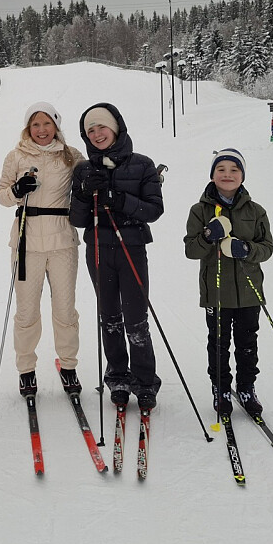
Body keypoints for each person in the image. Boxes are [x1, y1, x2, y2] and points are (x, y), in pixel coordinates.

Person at [70, 103, 164, 410]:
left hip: (131, 249)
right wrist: (84, 193)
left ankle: (145, 381)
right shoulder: (83, 168)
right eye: (90, 130)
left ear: (116, 128)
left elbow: (153, 210)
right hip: (98, 248)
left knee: (135, 319)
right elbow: (78, 219)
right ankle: (118, 378)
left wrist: (118, 199)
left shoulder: (143, 165)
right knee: (109, 317)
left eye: (102, 127)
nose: (97, 135)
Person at [0, 102, 85, 396]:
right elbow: (2, 195)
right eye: (36, 125)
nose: (42, 130)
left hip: (62, 241)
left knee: (64, 309)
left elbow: (86, 188)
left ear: (56, 126)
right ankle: (26, 370)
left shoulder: (71, 156)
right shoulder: (16, 156)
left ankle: (69, 365)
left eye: (47, 124)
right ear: (28, 128)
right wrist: (17, 191)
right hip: (27, 241)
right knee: (27, 311)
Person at [184, 148, 273, 417]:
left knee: (247, 343)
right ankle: (221, 388)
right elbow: (191, 250)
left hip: (249, 292)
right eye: (221, 169)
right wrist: (208, 236)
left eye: (234, 170)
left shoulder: (256, 211)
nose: (227, 175)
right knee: (219, 343)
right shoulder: (199, 210)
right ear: (212, 175)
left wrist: (245, 249)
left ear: (242, 176)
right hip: (217, 293)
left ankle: (246, 387)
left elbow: (267, 248)